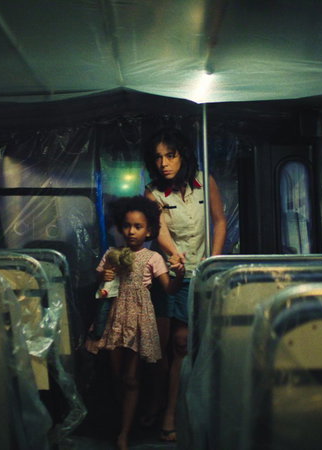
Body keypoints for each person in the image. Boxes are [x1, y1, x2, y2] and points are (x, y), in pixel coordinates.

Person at [143, 127, 226, 442]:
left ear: (183, 155)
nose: (164, 163)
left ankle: (172, 411)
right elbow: (159, 229)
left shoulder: (205, 181)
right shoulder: (153, 192)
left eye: (170, 155)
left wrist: (213, 262)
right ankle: (158, 402)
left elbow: (219, 221)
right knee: (161, 347)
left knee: (183, 343)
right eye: (158, 158)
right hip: (170, 274)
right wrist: (174, 254)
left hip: (201, 273)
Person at [85, 195, 186, 450]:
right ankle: (123, 422)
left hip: (139, 320)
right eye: (127, 225)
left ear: (149, 231)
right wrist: (105, 274)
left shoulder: (153, 257)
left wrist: (180, 273)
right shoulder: (112, 254)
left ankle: (124, 434)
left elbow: (170, 289)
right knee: (117, 376)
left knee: (131, 378)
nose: (131, 231)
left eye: (138, 226)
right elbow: (99, 282)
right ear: (121, 227)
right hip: (114, 318)